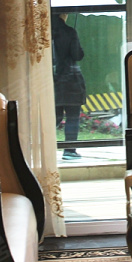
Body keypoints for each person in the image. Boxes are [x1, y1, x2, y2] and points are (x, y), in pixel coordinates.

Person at [52, 14, 86, 159]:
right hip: (71, 82)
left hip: (53, 81)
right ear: (63, 15)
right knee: (72, 116)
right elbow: (77, 55)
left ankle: (42, 147)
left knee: (54, 117)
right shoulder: (69, 31)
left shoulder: (46, 33)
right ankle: (69, 150)